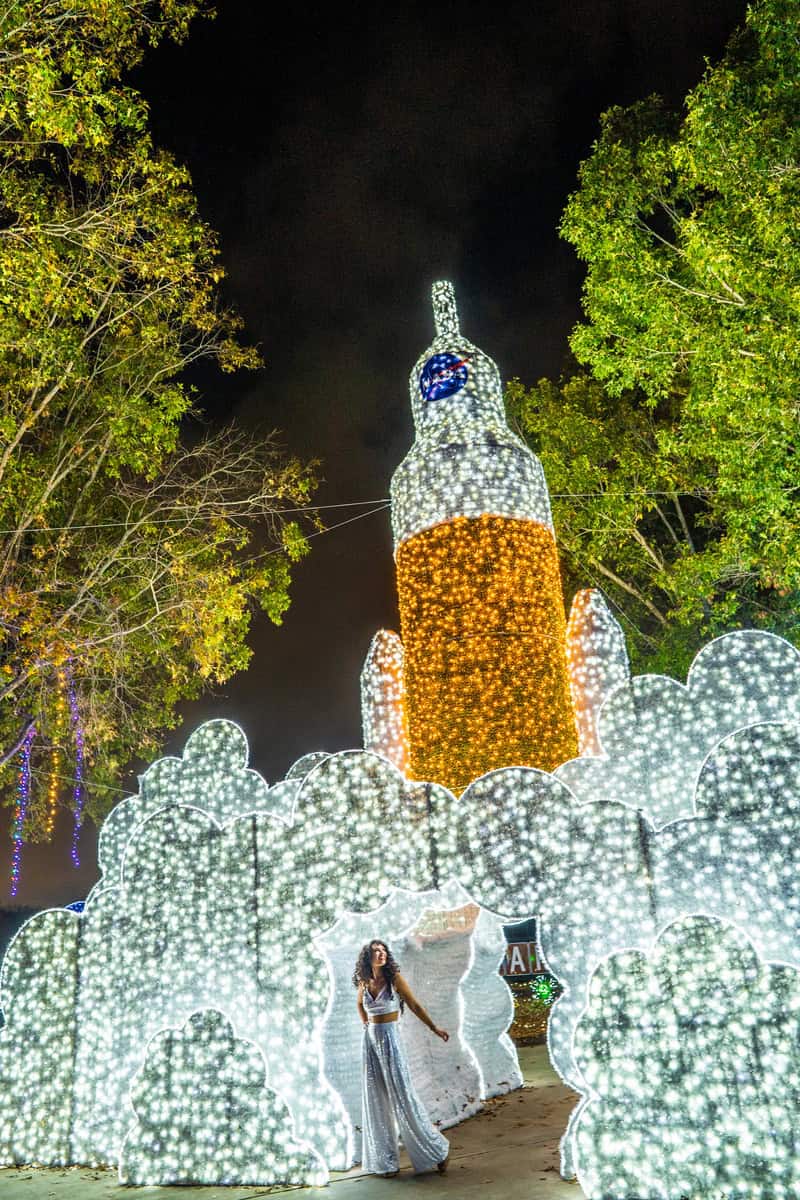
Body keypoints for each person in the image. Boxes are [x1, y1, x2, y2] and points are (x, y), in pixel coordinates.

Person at [353, 938, 450, 1179]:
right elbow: (359, 1004)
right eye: (376, 951)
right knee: (376, 1099)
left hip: (390, 1040)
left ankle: (437, 1151)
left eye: (384, 950)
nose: (381, 954)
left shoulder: (394, 978)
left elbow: (414, 1005)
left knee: (402, 1095)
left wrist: (434, 1028)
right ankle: (385, 1161)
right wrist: (366, 1023)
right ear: (368, 957)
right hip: (371, 1042)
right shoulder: (365, 981)